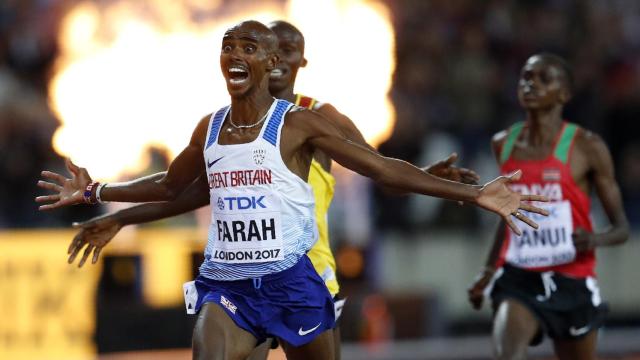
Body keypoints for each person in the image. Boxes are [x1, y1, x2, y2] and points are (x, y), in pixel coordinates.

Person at [37, 20, 547, 360]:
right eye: (229, 47)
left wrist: (466, 193)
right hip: (230, 283)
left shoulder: (307, 122)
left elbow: (380, 169)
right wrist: (99, 194)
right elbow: (181, 187)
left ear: (285, 60)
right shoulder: (209, 127)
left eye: (253, 48)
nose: (242, 55)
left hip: (301, 277)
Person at [467, 53, 629, 360]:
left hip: (572, 280)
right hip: (519, 277)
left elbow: (621, 228)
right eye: (526, 77)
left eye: (544, 79)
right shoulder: (504, 143)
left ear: (565, 93)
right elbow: (508, 212)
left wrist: (595, 239)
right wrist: (488, 270)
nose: (531, 84)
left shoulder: (588, 147)